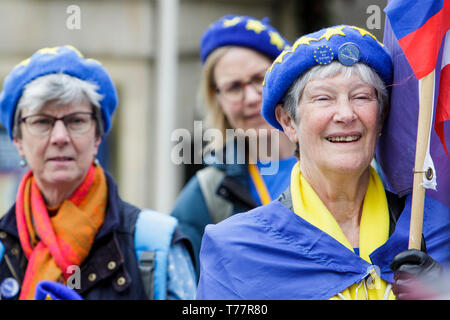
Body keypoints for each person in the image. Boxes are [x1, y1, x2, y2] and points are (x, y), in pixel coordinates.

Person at [196, 25, 450, 300]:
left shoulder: (435, 229)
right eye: (323, 98)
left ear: (381, 116)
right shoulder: (237, 250)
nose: (345, 114)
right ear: (288, 121)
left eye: (361, 97)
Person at [0, 45, 196, 300]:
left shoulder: (155, 246)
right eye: (42, 122)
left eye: (76, 121)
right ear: (17, 141)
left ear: (97, 136)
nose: (60, 137)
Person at [170, 15, 297, 278]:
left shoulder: (340, 161)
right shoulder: (207, 194)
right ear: (217, 100)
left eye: (260, 79)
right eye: (234, 87)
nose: (251, 98)